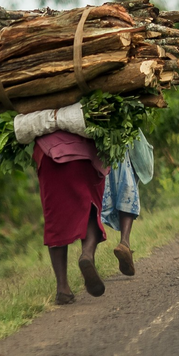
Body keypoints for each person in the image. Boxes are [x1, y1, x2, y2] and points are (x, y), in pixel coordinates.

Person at [32, 129, 110, 305]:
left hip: (49, 155)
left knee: (55, 219)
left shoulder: (32, 106)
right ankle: (87, 255)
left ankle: (63, 288)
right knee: (91, 209)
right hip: (85, 154)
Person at [101, 129, 153, 276]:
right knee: (127, 186)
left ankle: (88, 255)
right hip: (118, 141)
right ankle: (124, 242)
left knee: (94, 200)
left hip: (94, 147)